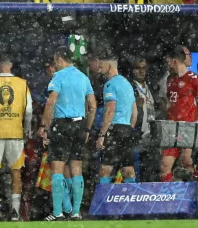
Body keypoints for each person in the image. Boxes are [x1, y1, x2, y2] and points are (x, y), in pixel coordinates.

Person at [37, 47, 96, 221]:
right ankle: (75, 212)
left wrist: (44, 126)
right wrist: (86, 128)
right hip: (79, 125)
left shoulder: (59, 77)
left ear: (61, 59)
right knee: (76, 167)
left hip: (61, 125)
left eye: (56, 60)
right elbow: (92, 105)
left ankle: (58, 213)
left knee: (57, 168)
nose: (55, 64)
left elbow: (51, 102)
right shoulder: (83, 77)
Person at [0, 53, 32, 221]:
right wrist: (27, 128)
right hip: (15, 132)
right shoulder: (22, 84)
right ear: (10, 66)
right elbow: (29, 110)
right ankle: (15, 212)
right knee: (15, 172)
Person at [159, 47, 198, 182]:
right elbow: (170, 103)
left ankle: (190, 198)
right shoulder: (169, 80)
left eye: (168, 62)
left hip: (189, 129)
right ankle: (167, 198)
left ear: (174, 62)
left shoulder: (194, 80)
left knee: (186, 163)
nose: (167, 65)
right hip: (172, 129)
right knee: (164, 166)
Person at [96, 53, 137, 185]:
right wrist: (129, 129)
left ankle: (104, 203)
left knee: (105, 169)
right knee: (128, 169)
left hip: (114, 129)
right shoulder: (128, 84)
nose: (98, 68)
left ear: (109, 66)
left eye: (101, 65)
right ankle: (132, 201)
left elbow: (110, 110)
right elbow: (135, 112)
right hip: (127, 129)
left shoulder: (109, 85)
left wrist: (102, 134)